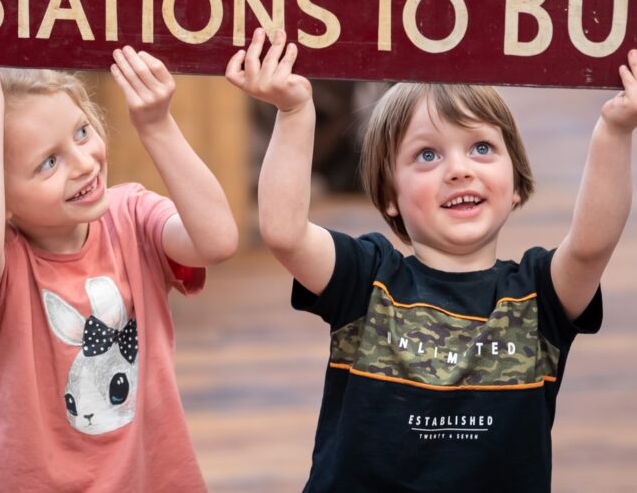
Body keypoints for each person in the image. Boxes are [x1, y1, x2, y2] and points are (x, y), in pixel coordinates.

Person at [226, 27, 636, 493]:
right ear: (389, 197)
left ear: (517, 181)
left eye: (482, 148)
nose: (459, 169)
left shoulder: (538, 293)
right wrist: (295, 110)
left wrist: (617, 128)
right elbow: (284, 233)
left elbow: (591, 245)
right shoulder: (368, 278)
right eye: (427, 154)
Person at [0, 38, 238, 492]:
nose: (83, 163)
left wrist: (156, 125)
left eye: (81, 132)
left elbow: (217, 240)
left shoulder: (132, 215)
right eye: (48, 163)